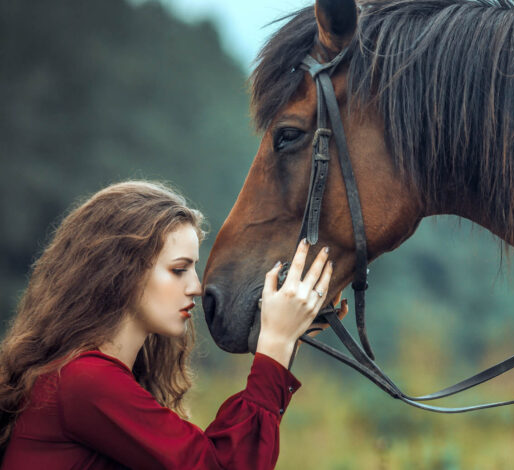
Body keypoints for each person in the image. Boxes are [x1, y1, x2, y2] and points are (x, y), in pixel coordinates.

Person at [0, 180, 339, 469]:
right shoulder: (84, 381)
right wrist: (275, 344)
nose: (195, 285)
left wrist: (286, 338)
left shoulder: (85, 377)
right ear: (119, 272)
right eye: (179, 269)